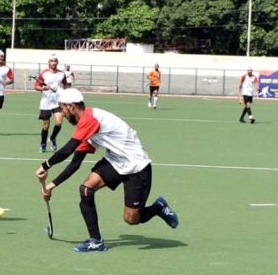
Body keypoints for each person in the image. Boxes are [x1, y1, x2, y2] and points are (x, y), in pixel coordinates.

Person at [35, 88, 179, 252]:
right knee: (86, 190)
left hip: (136, 165)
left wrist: (45, 165)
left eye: (62, 108)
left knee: (131, 219)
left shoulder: (90, 118)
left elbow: (68, 149)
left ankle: (158, 208)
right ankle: (96, 241)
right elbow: (75, 163)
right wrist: (51, 186)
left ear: (71, 106)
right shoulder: (86, 128)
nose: (63, 113)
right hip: (116, 161)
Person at [34, 53, 66, 152]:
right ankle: (43, 143)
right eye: (52, 61)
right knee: (46, 126)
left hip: (58, 102)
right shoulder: (44, 73)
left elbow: (65, 86)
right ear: (49, 62)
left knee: (59, 122)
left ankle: (52, 138)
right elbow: (36, 86)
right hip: (46, 102)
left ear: (57, 62)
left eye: (55, 61)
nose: (53, 63)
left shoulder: (62, 74)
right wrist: (43, 88)